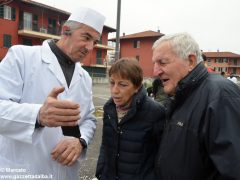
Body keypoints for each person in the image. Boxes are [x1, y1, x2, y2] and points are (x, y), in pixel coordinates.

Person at [0, 7, 105, 180]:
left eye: (94, 41)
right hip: (24, 171)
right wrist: (38, 115)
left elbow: (89, 119)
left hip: (66, 173)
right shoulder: (22, 57)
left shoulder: (84, 77)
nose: (89, 47)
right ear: (66, 31)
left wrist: (81, 141)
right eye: (86, 37)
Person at [152, 32, 240, 180]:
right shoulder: (180, 93)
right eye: (154, 64)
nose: (155, 71)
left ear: (191, 61)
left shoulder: (220, 96)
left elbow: (233, 170)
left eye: (162, 62)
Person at [95, 58, 165, 180]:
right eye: (112, 83)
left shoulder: (155, 112)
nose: (114, 90)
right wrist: (100, 170)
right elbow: (106, 144)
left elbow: (161, 156)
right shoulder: (109, 108)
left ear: (137, 86)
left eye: (122, 84)